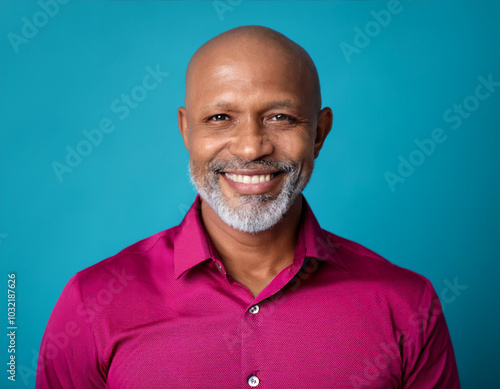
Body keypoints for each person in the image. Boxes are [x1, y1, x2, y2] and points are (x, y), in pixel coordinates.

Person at [36, 25, 460, 388]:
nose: (251, 147)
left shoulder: (406, 305)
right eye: (220, 117)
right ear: (186, 130)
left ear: (319, 133)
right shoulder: (92, 304)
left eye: (280, 118)